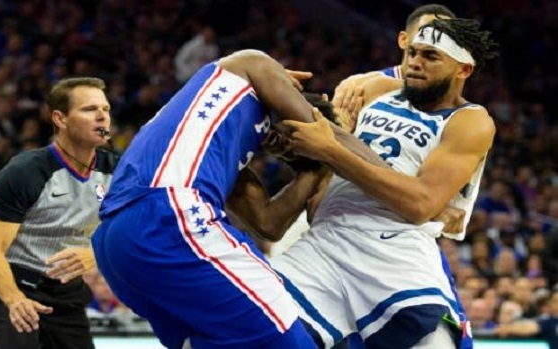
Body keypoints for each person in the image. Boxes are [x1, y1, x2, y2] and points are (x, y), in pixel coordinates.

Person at [91, 49, 386, 349]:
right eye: (292, 139)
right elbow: (333, 139)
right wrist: (406, 188)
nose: (284, 149)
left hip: (117, 244)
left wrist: (315, 166)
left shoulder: (222, 142)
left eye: (291, 154)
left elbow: (268, 223)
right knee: (285, 331)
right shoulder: (252, 66)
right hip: (167, 214)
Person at [272, 17, 499, 348]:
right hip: (328, 237)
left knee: (434, 343)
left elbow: (420, 205)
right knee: (249, 327)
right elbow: (320, 166)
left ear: (463, 70)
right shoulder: (371, 88)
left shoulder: (470, 120)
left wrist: (332, 150)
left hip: (395, 245)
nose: (414, 64)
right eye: (413, 53)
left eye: (430, 57)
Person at [0, 77, 118, 349]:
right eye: (89, 109)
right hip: (11, 287)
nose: (102, 116)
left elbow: (133, 229)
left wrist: (96, 253)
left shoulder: (118, 170)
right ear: (60, 119)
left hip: (67, 293)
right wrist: (15, 300)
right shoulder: (24, 172)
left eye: (106, 109)